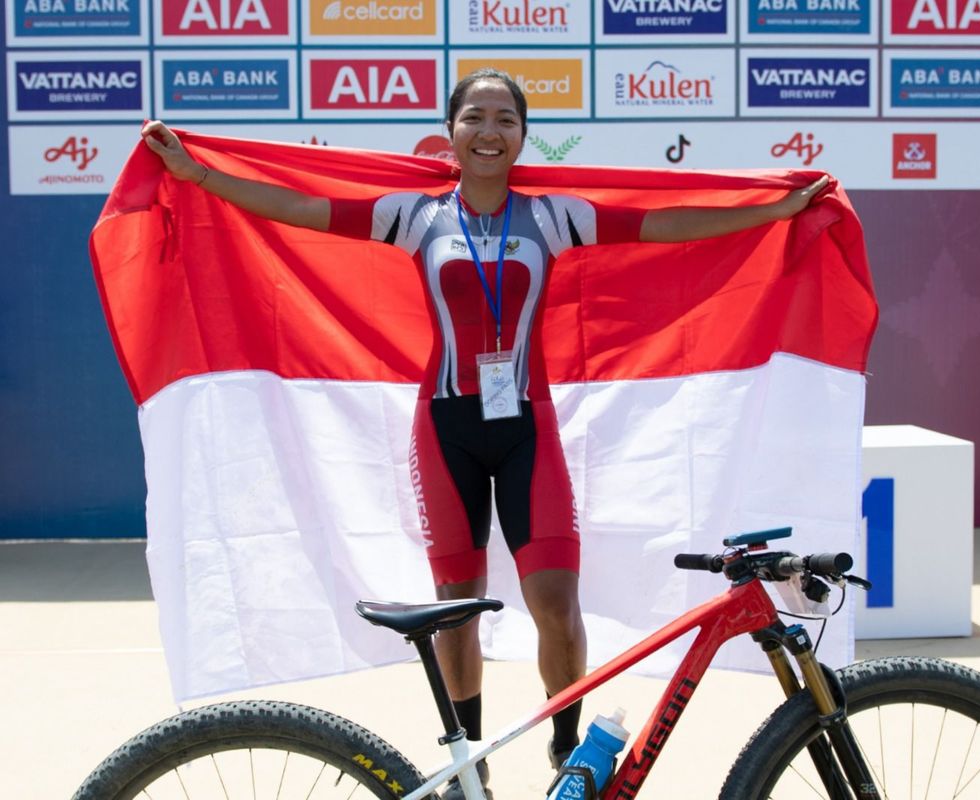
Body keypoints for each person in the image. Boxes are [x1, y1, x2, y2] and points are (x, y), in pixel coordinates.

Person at [142, 67, 830, 799]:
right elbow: (301, 208)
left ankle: (568, 754)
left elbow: (666, 227)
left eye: (506, 119)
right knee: (457, 614)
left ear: (522, 136)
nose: (490, 131)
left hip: (526, 431)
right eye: (476, 117)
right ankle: (470, 762)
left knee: (557, 608)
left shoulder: (552, 217)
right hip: (446, 434)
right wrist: (199, 177)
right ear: (452, 135)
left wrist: (773, 213)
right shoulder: (416, 216)